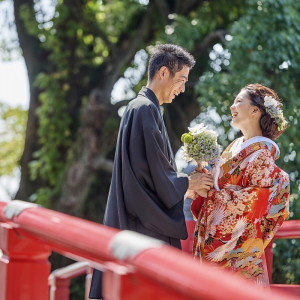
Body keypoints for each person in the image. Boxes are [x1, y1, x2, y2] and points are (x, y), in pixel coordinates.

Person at [89, 44, 213, 299]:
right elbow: (154, 174)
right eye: (181, 80)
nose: (183, 88)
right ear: (163, 73)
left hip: (136, 218)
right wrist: (188, 183)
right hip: (141, 227)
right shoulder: (145, 109)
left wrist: (182, 185)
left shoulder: (143, 107)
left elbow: (152, 172)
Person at [190, 83, 290, 285]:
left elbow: (255, 202)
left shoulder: (262, 155)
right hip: (217, 245)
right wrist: (204, 182)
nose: (231, 106)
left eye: (238, 101)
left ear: (255, 110)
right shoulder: (235, 147)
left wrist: (212, 195)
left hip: (239, 251)